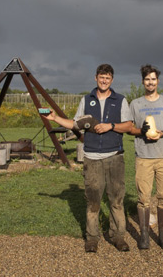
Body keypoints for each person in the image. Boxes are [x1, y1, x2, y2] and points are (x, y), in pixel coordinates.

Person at [43, 64, 132, 253]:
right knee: (93, 201)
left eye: (108, 77)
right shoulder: (86, 100)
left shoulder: (121, 100)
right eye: (101, 77)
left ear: (112, 80)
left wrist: (110, 126)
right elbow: (75, 124)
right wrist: (55, 118)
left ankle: (118, 237)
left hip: (115, 156)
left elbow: (129, 126)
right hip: (91, 158)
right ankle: (92, 238)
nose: (104, 80)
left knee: (116, 199)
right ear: (96, 78)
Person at [129, 64, 163, 250]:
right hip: (144, 157)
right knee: (143, 198)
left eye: (153, 79)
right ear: (143, 82)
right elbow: (129, 128)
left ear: (157, 81)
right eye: (147, 79)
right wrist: (140, 131)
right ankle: (144, 236)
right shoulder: (136, 104)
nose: (150, 82)